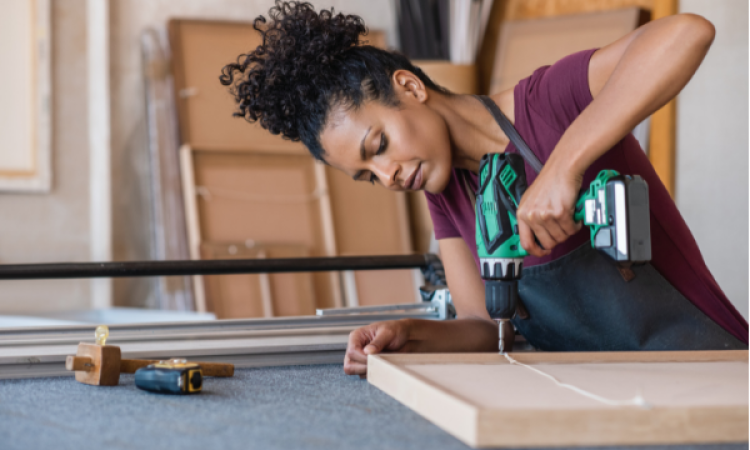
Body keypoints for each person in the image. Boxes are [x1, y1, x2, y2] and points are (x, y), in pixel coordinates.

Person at [220, 1, 748, 376]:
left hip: (707, 370)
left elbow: (686, 32)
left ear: (409, 87)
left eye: (377, 145)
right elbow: (483, 325)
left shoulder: (545, 104)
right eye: (367, 176)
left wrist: (563, 167)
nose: (387, 177)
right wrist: (408, 334)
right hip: (595, 396)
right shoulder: (445, 196)